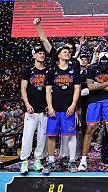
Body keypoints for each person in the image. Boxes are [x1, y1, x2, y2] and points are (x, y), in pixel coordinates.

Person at [43, 42, 81, 173]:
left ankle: (71, 161)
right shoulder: (52, 71)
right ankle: (51, 161)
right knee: (51, 135)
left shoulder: (74, 70)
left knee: (70, 135)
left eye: (68, 52)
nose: (67, 53)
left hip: (68, 109)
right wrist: (50, 106)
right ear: (58, 54)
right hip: (54, 109)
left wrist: (73, 105)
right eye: (64, 51)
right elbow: (48, 90)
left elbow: (77, 90)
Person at [78, 52, 108, 171]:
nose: (104, 62)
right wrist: (107, 83)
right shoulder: (92, 69)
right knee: (90, 128)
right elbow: (90, 87)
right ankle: (83, 160)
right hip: (93, 100)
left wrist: (98, 85)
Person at [19, 44, 49, 173]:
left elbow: (51, 90)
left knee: (42, 137)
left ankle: (38, 160)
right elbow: (23, 89)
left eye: (42, 53)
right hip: (31, 110)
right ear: (34, 55)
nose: (41, 55)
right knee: (28, 136)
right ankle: (24, 162)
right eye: (38, 53)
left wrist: (50, 105)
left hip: (44, 110)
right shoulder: (28, 71)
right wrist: (27, 104)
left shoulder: (48, 71)